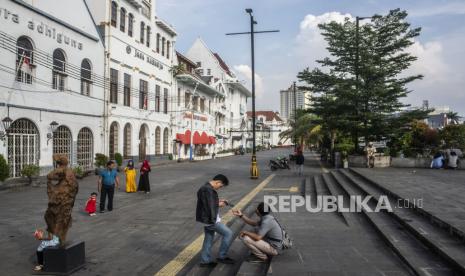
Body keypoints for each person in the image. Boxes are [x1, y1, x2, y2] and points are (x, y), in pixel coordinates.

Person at [196, 174, 234, 267]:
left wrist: (218, 201)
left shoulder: (205, 188)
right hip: (210, 220)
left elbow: (209, 202)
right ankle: (222, 256)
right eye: (220, 186)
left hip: (207, 220)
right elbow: (210, 206)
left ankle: (205, 261)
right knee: (228, 233)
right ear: (218, 182)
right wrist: (221, 204)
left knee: (208, 240)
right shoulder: (208, 190)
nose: (219, 188)